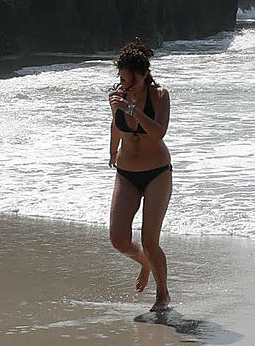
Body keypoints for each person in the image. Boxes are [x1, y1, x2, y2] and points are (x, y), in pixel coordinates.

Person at [108, 39, 172, 312]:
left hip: (157, 173)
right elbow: (116, 125)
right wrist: (112, 151)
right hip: (126, 173)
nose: (125, 84)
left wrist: (132, 109)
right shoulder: (117, 94)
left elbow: (158, 132)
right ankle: (144, 263)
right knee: (119, 239)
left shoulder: (159, 95)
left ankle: (162, 293)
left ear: (144, 74)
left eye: (130, 79)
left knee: (149, 239)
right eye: (121, 78)